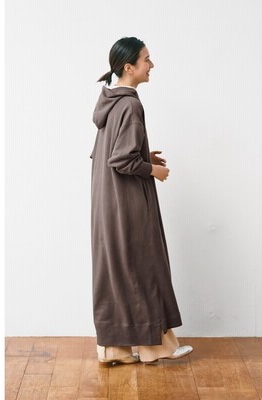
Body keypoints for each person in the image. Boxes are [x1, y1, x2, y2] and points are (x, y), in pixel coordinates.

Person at [90, 37, 193, 365]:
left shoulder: (111, 102)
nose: (152, 65)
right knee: (144, 265)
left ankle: (113, 349)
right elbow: (121, 160)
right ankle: (155, 348)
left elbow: (108, 152)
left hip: (107, 199)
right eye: (146, 59)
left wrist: (144, 156)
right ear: (129, 67)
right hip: (128, 202)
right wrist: (152, 171)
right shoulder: (131, 105)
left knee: (117, 270)